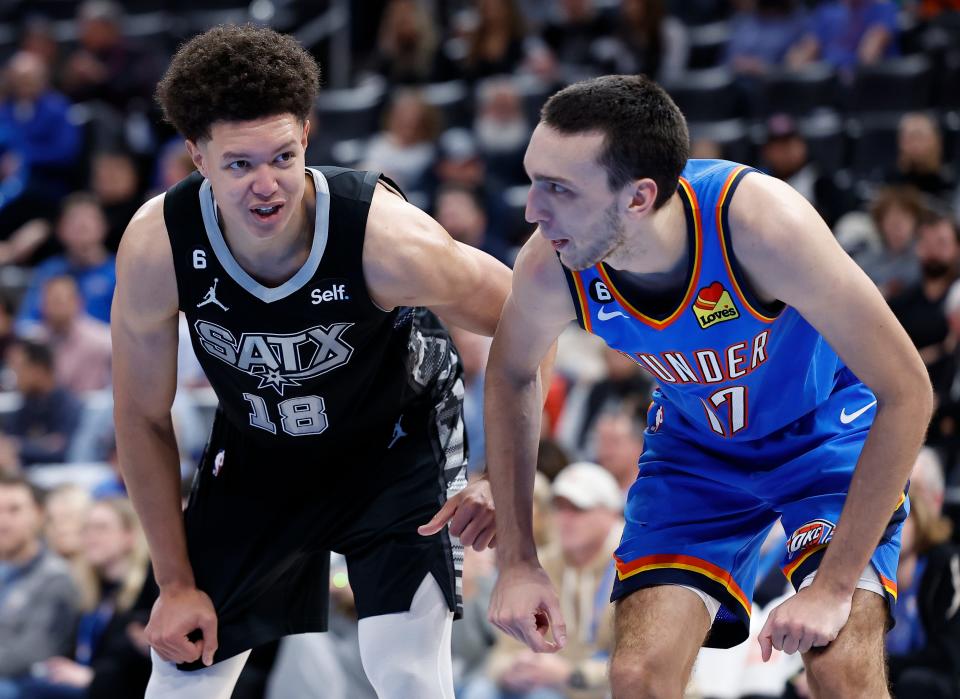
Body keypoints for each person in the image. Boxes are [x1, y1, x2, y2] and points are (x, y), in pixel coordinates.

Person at [484, 74, 930, 698]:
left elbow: (910, 390)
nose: (533, 209)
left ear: (638, 197)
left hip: (825, 435)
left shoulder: (760, 224)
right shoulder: (553, 260)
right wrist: (518, 560)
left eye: (558, 189)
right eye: (534, 180)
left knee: (839, 668)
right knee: (637, 676)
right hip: (696, 451)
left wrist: (831, 589)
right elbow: (510, 373)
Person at [111, 24, 517, 699]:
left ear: (308, 132)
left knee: (408, 671)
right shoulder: (159, 245)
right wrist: (175, 581)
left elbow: (525, 320)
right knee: (183, 665)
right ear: (197, 157)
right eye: (239, 164)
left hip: (394, 444)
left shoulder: (387, 238)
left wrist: (496, 475)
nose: (266, 185)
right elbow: (140, 413)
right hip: (260, 451)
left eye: (283, 156)